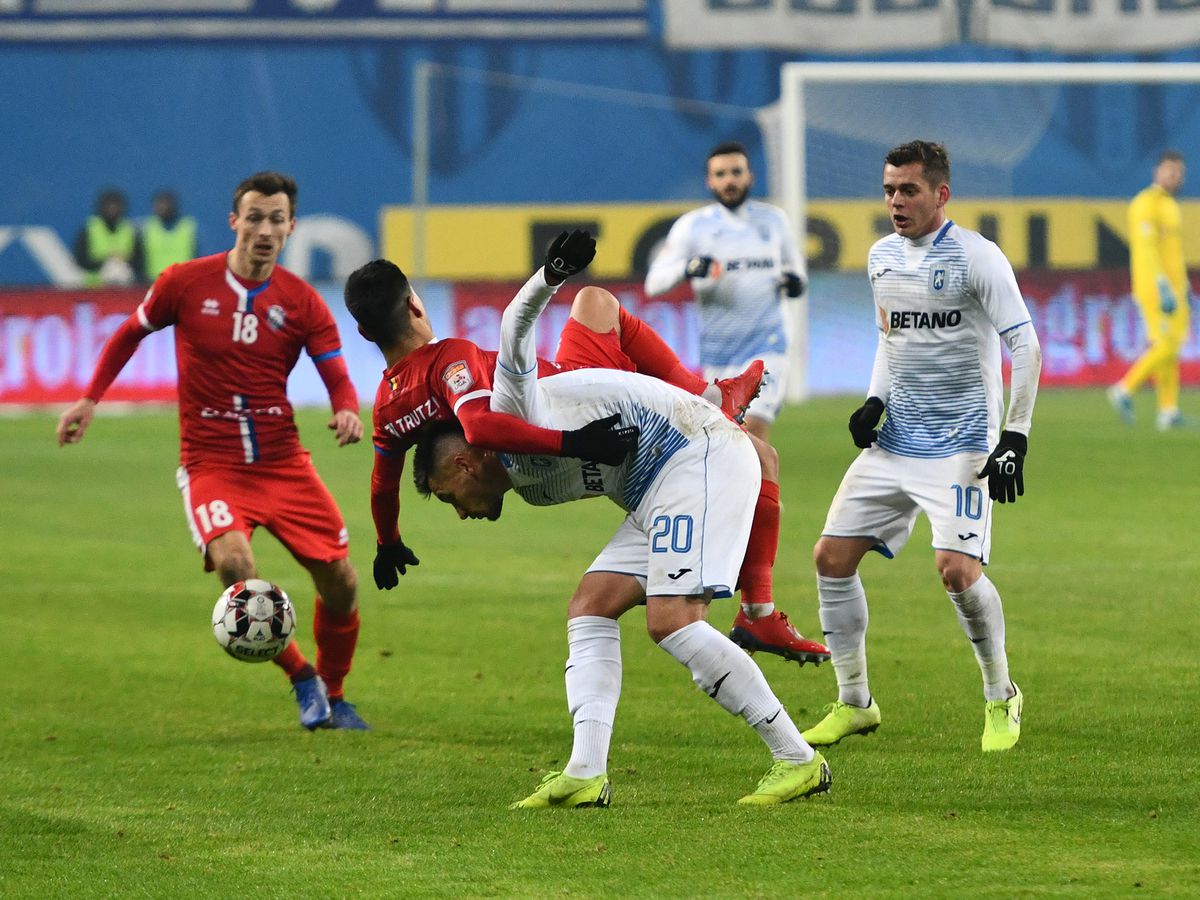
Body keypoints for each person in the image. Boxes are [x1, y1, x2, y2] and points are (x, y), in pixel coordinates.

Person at [410, 262, 831, 808]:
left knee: (671, 621)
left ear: (465, 465)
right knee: (590, 605)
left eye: (449, 499)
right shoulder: (530, 488)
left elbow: (515, 323)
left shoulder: (515, 406)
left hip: (698, 455)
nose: (461, 514)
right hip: (658, 489)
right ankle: (585, 771)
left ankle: (797, 759)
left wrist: (549, 273)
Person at [343, 235, 828, 667]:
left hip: (571, 386)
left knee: (597, 306)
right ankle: (756, 606)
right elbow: (481, 425)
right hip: (577, 406)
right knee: (754, 458)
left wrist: (387, 541)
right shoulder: (449, 359)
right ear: (414, 306)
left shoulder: (387, 407)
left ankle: (714, 408)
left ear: (364, 334)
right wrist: (572, 441)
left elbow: (383, 481)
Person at [57, 171, 368, 732]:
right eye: (254, 217)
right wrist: (88, 398)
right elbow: (130, 332)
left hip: (284, 463)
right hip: (212, 465)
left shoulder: (303, 303)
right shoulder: (184, 283)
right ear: (234, 222)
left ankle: (335, 693)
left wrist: (346, 407)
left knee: (342, 582)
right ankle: (300, 677)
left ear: (291, 227)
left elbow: (338, 375)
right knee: (235, 564)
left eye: (277, 219)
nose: (265, 229)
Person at [801, 141, 1042, 754]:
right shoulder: (882, 257)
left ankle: (1000, 695)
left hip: (963, 447)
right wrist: (875, 400)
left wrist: (1014, 435)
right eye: (888, 189)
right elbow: (890, 336)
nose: (895, 202)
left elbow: (1026, 348)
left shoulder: (976, 258)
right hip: (896, 441)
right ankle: (854, 702)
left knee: (957, 572)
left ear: (941, 193)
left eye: (908, 190)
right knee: (830, 558)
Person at [644, 140, 806, 444]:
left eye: (736, 172)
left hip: (767, 343)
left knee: (754, 426)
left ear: (750, 177)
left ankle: (764, 493)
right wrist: (687, 269)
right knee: (725, 440)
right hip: (719, 352)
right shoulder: (692, 227)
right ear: (709, 180)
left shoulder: (774, 221)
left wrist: (794, 282)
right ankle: (757, 493)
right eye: (720, 174)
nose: (729, 180)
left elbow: (796, 273)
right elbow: (654, 283)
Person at [1109, 150, 1192, 431]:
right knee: (1166, 344)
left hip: (1175, 287)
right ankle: (1124, 388)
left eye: (1178, 172)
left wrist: (1183, 286)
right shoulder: (1145, 203)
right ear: (1157, 171)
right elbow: (1146, 250)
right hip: (1155, 288)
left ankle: (1168, 411)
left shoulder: (1170, 206)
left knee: (1172, 347)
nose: (1173, 176)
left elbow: (1172, 252)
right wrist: (1161, 284)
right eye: (1169, 170)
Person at [75, 187, 144, 287]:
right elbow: (81, 259)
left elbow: (139, 261)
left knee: (117, 268)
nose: (112, 209)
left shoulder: (129, 230)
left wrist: (122, 262)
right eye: (108, 206)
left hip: (124, 286)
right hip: (93, 287)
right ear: (100, 207)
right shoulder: (90, 229)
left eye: (116, 206)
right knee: (112, 267)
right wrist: (105, 263)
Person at [143, 189, 199, 282]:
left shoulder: (188, 227)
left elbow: (199, 257)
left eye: (167, 204)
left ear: (175, 206)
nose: (163, 208)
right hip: (152, 282)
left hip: (183, 281)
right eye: (160, 204)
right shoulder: (147, 228)